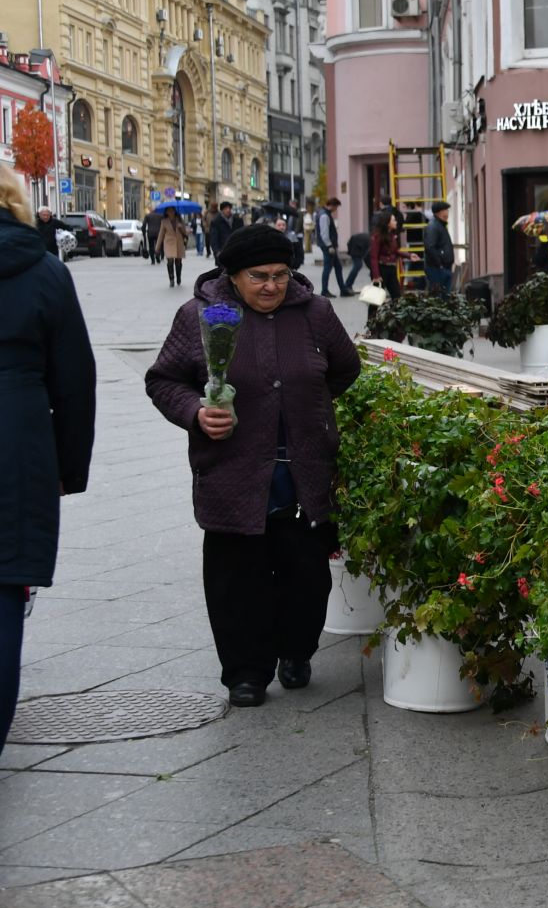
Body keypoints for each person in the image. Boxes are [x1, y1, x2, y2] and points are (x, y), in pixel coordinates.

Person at [144, 223, 360, 707]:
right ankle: (245, 671)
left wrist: (312, 410)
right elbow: (163, 381)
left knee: (306, 575)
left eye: (281, 275)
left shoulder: (315, 314)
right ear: (233, 275)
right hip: (232, 472)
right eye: (259, 276)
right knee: (236, 578)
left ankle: (296, 649)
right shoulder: (199, 315)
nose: (272, 286)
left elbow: (346, 368)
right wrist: (196, 415)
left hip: (303, 472)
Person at [0, 168, 95, 748]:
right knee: (7, 581)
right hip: (18, 439)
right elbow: (75, 381)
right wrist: (67, 467)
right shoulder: (44, 272)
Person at [314, 197, 349, 297]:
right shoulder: (324, 215)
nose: (336, 209)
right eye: (336, 207)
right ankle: (325, 290)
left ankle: (343, 289)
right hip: (328, 246)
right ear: (333, 205)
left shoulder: (323, 213)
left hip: (327, 246)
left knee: (337, 267)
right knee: (327, 268)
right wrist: (329, 245)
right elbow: (324, 233)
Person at [423, 201, 455, 294]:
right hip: (437, 269)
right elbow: (430, 247)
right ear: (439, 212)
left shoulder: (440, 225)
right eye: (445, 210)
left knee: (444, 295)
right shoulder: (434, 226)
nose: (447, 212)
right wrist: (439, 264)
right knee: (438, 295)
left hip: (443, 267)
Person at [156, 205, 191, 288]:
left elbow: (185, 233)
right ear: (166, 212)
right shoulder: (164, 221)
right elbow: (161, 235)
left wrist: (181, 227)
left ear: (175, 211)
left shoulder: (180, 220)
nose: (171, 212)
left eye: (172, 211)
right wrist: (157, 248)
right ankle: (171, 279)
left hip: (179, 243)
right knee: (170, 261)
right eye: (169, 211)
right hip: (169, 243)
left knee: (178, 262)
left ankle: (178, 277)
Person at [369, 210, 403, 292]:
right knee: (376, 300)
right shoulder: (377, 236)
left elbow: (395, 251)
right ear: (387, 223)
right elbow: (374, 257)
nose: (396, 222)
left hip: (391, 268)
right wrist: (376, 275)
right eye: (394, 220)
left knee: (397, 296)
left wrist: (408, 255)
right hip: (382, 269)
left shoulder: (391, 235)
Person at [343, 227, 371, 294]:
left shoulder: (371, 238)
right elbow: (367, 258)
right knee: (358, 265)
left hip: (356, 246)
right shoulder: (372, 241)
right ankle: (347, 285)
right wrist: (371, 268)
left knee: (358, 265)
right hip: (355, 247)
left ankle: (348, 285)